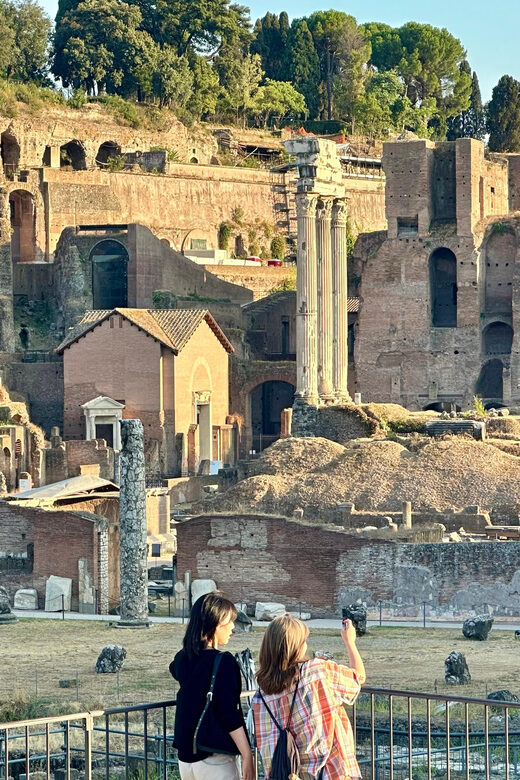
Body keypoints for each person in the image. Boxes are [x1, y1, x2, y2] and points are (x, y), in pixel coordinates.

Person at [252, 614, 365, 780]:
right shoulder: (317, 670)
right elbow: (358, 678)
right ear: (296, 646)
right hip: (328, 772)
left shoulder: (260, 697)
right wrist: (350, 642)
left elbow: (267, 748)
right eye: (303, 640)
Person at [170, 592, 255, 780]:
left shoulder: (182, 658)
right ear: (215, 624)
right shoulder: (224, 662)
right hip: (215, 759)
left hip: (186, 760)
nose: (233, 627)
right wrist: (247, 754)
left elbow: (175, 670)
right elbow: (228, 714)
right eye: (229, 621)